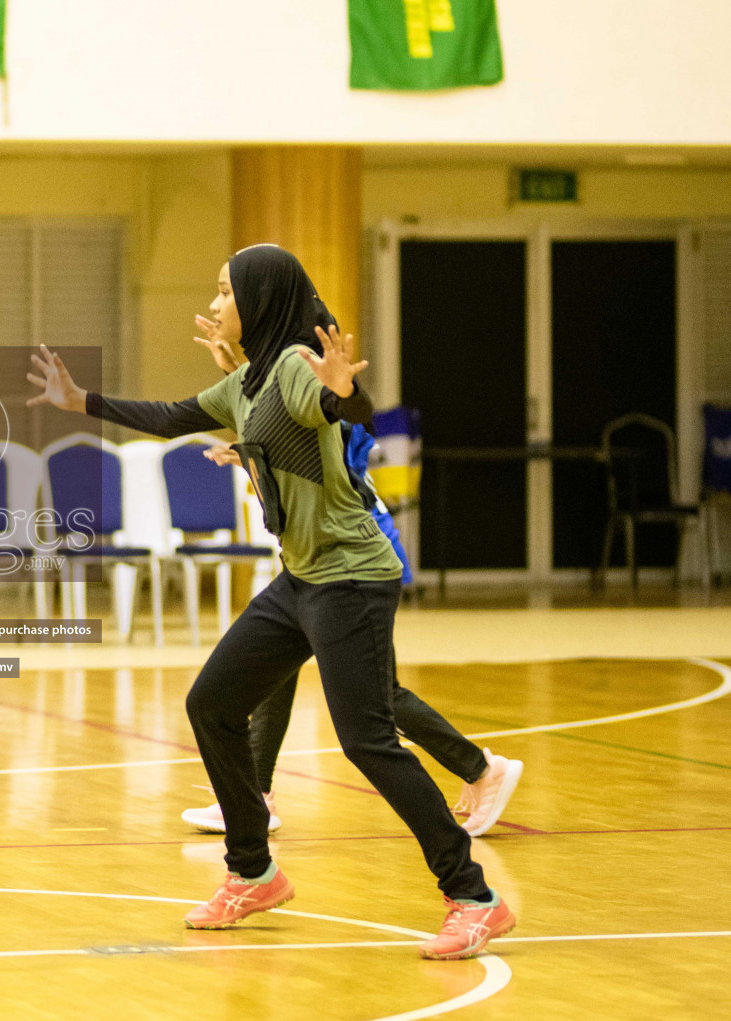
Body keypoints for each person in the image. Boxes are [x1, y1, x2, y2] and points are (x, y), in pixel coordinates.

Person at [27, 243, 515, 960]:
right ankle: (252, 870)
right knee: (213, 705)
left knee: (367, 742)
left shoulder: (289, 368)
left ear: (257, 302)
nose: (215, 304)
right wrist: (84, 402)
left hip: (350, 577)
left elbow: (331, 406)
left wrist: (345, 392)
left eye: (225, 292)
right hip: (301, 578)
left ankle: (473, 898)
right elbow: (170, 415)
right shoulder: (246, 382)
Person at [178, 337, 524, 838]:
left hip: (355, 560)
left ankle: (481, 769)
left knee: (379, 694)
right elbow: (271, 432)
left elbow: (298, 442)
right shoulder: (293, 394)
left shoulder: (322, 400)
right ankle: (255, 791)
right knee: (274, 673)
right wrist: (237, 380)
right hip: (316, 560)